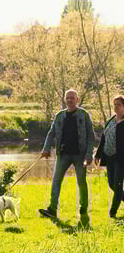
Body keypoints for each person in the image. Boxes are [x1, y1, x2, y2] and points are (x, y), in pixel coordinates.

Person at [38, 89, 95, 220]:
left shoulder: (84, 114)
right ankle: (52, 209)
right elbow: (51, 133)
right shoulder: (59, 115)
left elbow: (91, 136)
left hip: (80, 155)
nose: (69, 100)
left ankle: (83, 207)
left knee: (81, 181)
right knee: (56, 180)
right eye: (67, 98)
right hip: (63, 154)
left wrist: (89, 155)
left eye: (72, 98)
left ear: (77, 99)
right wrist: (46, 148)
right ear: (65, 99)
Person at [94, 95, 124, 218]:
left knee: (117, 185)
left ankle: (112, 212)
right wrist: (98, 154)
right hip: (109, 156)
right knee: (111, 184)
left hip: (121, 158)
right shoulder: (111, 120)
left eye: (119, 104)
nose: (116, 107)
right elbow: (104, 138)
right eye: (114, 104)